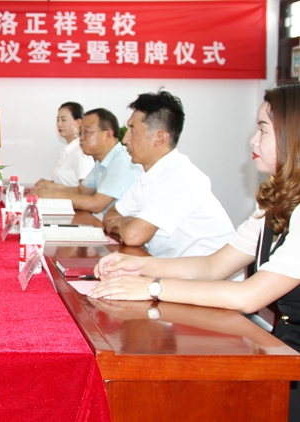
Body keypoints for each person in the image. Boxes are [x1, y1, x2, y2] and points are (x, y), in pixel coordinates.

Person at [90, 83, 300, 420]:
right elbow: (214, 265)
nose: (252, 140)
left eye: (263, 130)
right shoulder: (276, 201)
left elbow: (249, 297)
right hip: (285, 344)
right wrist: (138, 266)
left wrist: (151, 287)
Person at [102, 90, 234, 258]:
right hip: (171, 268)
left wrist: (126, 222)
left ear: (160, 137)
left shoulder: (179, 177)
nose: (125, 139)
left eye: (132, 130)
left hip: (204, 273)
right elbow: (110, 216)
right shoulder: (150, 175)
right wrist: (128, 223)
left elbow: (134, 236)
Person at [32, 108, 143, 216]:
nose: (81, 138)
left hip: (125, 226)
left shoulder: (123, 161)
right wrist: (48, 188)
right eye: (80, 133)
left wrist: (52, 195)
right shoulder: (102, 162)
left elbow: (96, 204)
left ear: (108, 135)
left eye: (87, 132)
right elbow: (81, 191)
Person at [35, 102, 95, 188]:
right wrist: (48, 184)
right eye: (58, 120)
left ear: (78, 122)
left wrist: (50, 185)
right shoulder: (66, 150)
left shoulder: (80, 152)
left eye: (63, 120)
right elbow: (67, 183)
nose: (59, 124)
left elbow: (87, 189)